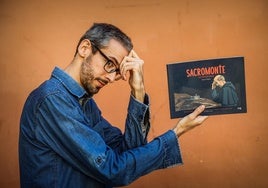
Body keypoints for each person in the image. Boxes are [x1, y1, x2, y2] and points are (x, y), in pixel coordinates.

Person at [19, 23, 208, 188]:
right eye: (110, 64)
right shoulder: (52, 101)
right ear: (85, 48)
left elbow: (126, 150)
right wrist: (176, 133)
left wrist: (138, 91)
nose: (111, 78)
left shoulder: (84, 102)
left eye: (117, 71)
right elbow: (112, 169)